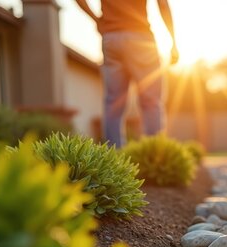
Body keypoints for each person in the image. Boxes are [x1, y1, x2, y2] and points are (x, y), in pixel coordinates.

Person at [75, 0, 179, 147]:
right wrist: (173, 41)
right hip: (140, 37)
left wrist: (96, 20)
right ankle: (154, 155)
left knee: (113, 103)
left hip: (111, 38)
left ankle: (115, 161)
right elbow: (162, 3)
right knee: (151, 101)